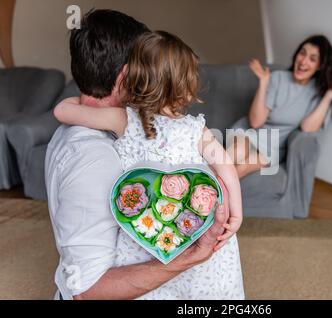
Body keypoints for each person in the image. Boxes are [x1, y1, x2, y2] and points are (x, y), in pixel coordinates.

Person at [45, 9, 244, 300]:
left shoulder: (120, 123)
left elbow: (62, 110)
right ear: (127, 75)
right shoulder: (95, 156)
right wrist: (233, 216)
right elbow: (86, 292)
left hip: (150, 238)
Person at [227, 35, 332, 178]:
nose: (303, 61)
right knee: (234, 157)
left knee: (242, 168)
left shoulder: (318, 94)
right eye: (302, 53)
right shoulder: (278, 78)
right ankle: (200, 191)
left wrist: (329, 96)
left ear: (319, 66)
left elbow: (307, 128)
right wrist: (263, 83)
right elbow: (256, 122)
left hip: (273, 148)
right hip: (249, 133)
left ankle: (210, 198)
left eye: (312, 59)